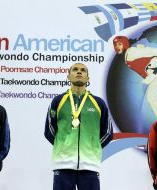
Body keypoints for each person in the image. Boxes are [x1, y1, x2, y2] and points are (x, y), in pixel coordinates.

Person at [44, 62, 113, 190]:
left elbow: (108, 133)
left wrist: (93, 146)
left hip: (90, 166)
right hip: (63, 166)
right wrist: (64, 145)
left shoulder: (99, 103)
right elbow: (49, 131)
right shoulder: (58, 101)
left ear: (88, 78)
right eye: (75, 69)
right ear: (68, 76)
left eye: (83, 70)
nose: (79, 72)